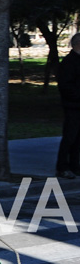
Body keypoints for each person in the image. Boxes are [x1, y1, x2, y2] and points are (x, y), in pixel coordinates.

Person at [56, 33, 80, 179]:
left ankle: (74, 165)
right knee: (70, 136)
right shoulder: (69, 62)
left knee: (78, 139)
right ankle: (62, 167)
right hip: (73, 106)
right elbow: (66, 86)